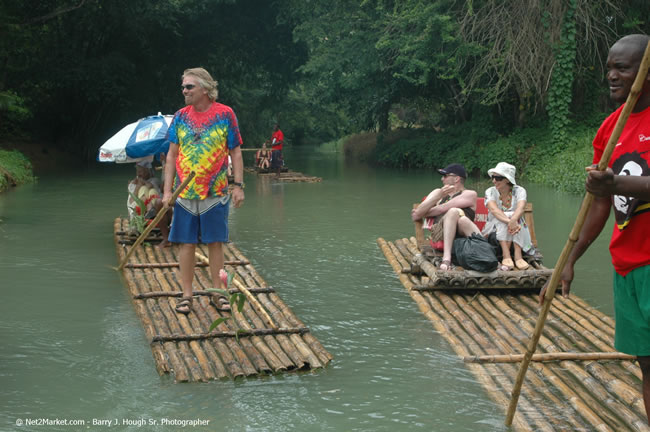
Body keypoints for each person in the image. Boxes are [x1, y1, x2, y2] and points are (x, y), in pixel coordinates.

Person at [539, 34, 650, 424]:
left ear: (647, 72)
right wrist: (568, 261)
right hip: (626, 265)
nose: (612, 76)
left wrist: (616, 183)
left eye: (623, 68)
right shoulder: (610, 130)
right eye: (609, 68)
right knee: (647, 365)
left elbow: (613, 187)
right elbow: (601, 203)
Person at [162, 67, 245, 315]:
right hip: (185, 194)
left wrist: (238, 186)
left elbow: (236, 152)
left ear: (206, 89)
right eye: (183, 87)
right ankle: (187, 295)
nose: (184, 90)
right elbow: (171, 156)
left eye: (189, 86)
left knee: (215, 244)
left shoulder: (225, 115)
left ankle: (218, 294)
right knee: (185, 244)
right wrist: (167, 191)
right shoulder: (180, 117)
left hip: (216, 193)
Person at [411, 163, 481, 271]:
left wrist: (424, 212)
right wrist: (438, 196)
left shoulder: (469, 194)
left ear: (457, 178)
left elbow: (442, 208)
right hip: (440, 234)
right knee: (451, 211)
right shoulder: (437, 193)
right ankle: (447, 257)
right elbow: (416, 215)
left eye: (445, 176)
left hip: (462, 237)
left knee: (453, 212)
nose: (442, 179)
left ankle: (448, 258)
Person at [481, 162, 533, 270]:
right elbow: (494, 210)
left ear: (507, 180)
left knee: (514, 215)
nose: (494, 180)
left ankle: (518, 255)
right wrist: (510, 221)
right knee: (504, 215)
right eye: (493, 177)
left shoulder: (520, 191)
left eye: (498, 178)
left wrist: (513, 219)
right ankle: (506, 255)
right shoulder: (490, 191)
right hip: (494, 233)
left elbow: (521, 207)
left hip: (516, 229)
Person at [127, 160, 171, 248]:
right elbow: (132, 200)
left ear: (148, 171)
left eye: (141, 171)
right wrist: (139, 185)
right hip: (139, 208)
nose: (139, 174)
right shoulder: (133, 183)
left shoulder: (154, 180)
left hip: (154, 207)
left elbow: (152, 187)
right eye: (138, 172)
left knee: (151, 190)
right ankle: (148, 210)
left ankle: (150, 209)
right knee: (143, 189)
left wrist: (144, 183)